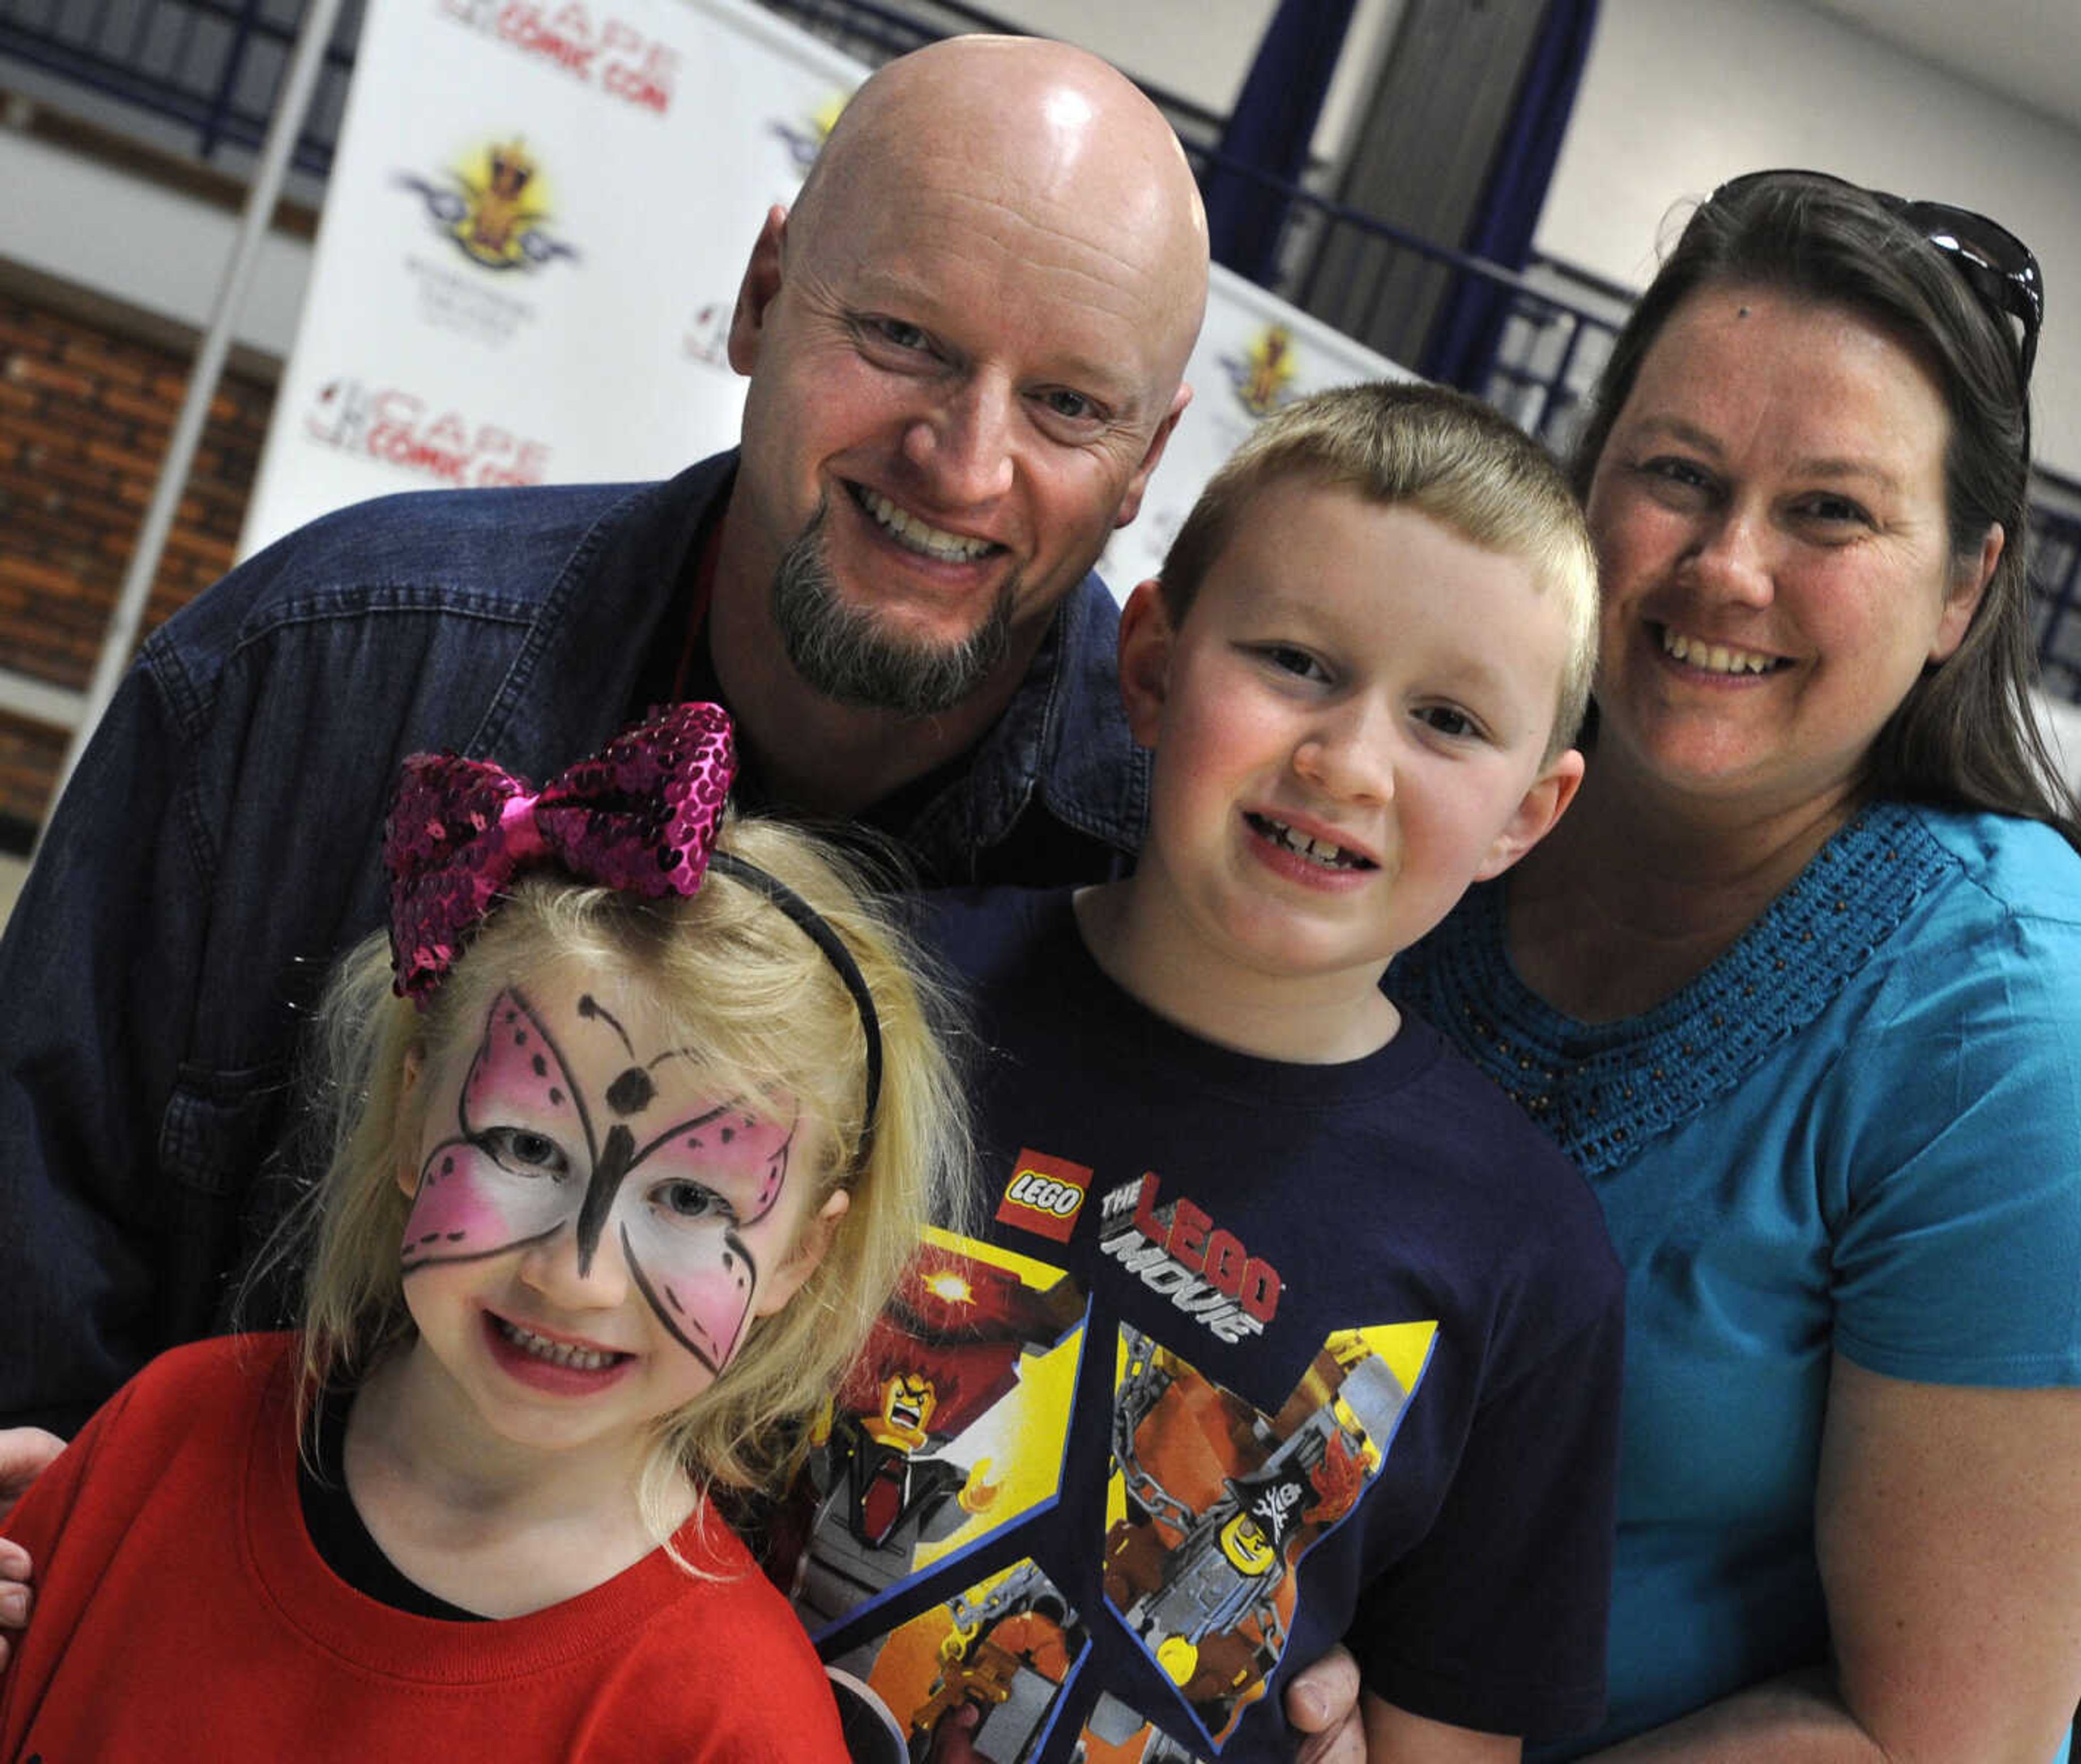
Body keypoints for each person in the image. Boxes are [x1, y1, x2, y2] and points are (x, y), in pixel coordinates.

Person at [0, 35, 1204, 1441]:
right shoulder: (319, 667)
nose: (965, 460)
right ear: (763, 300)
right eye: (903, 339)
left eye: (1068, 404)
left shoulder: (1178, 883)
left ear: (1146, 463)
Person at [1385, 171, 2081, 1759]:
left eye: (1831, 510)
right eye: (1676, 473)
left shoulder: (2025, 1038)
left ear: (1964, 586)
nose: (1726, 565)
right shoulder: (1420, 791)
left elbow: (1934, 1744)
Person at [780, 383, 1626, 1763]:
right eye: (1297, 661)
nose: (1348, 762)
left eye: (1451, 722)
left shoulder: (1528, 1265)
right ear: (1157, 664)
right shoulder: (874, 997)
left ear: (1531, 813)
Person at [0, 702, 974, 1757]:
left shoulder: (732, 1724)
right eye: (524, 1148)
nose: (577, 1273)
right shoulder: (164, 1434)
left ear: (800, 1253)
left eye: (692, 1200)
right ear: (419, 1122)